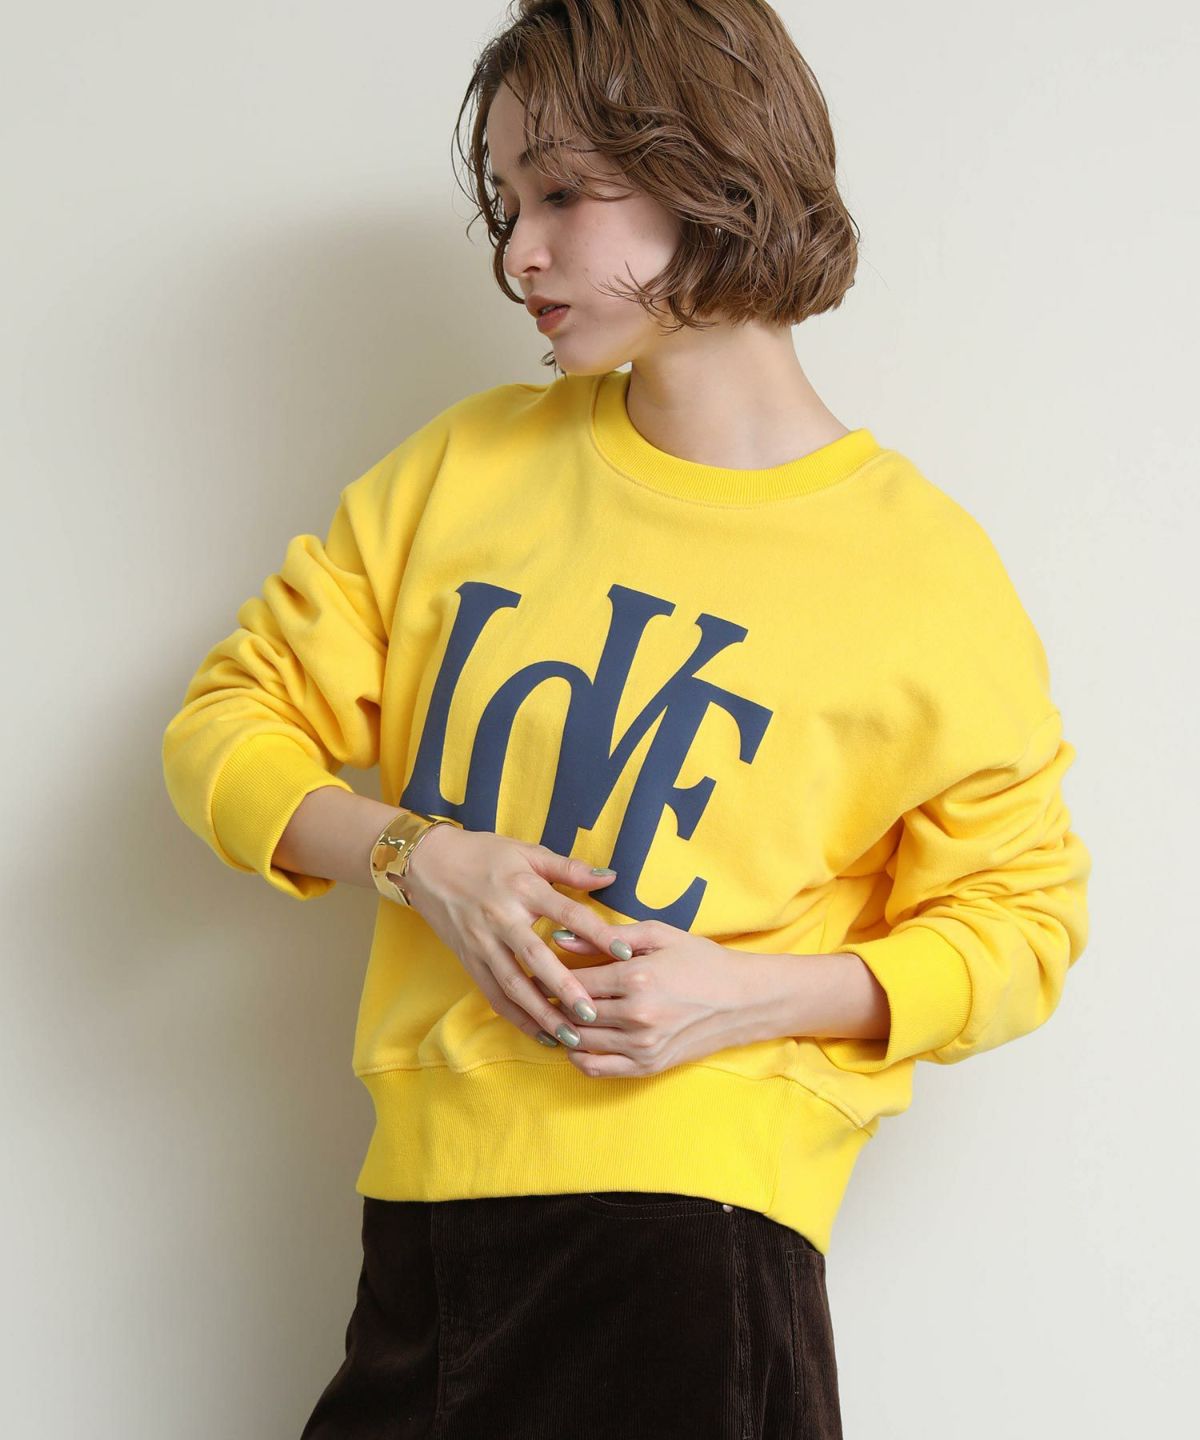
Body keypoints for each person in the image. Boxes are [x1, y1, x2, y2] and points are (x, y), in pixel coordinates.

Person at [161, 2, 1092, 1436]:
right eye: (507, 202)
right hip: (419, 1242)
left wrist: (748, 995)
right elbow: (229, 724)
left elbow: (1023, 925)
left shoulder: (919, 572)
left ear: (714, 174)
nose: (517, 255)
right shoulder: (466, 469)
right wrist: (421, 856)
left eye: (563, 194)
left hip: (690, 1249)